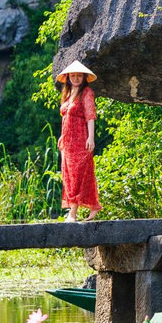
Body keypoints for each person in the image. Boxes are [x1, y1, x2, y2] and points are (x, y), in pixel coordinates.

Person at [54, 60, 102, 222]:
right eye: (73, 75)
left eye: (78, 76)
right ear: (67, 77)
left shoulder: (86, 93)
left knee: (79, 174)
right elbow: (66, 118)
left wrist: (91, 137)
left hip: (81, 139)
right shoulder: (67, 94)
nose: (75, 78)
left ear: (84, 77)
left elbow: (90, 116)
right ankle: (93, 206)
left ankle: (72, 213)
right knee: (68, 174)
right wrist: (62, 136)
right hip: (67, 142)